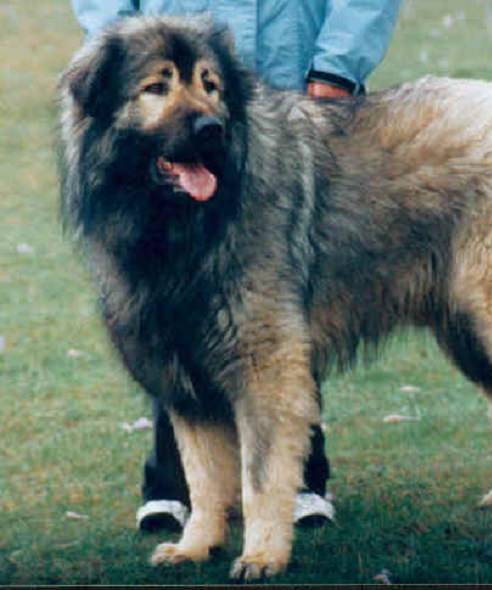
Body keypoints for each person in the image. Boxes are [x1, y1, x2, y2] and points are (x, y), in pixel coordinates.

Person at [70, 0, 402, 532]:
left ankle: (298, 480)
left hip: (287, 77)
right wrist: (117, 49)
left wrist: (339, 63)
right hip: (160, 51)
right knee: (160, 291)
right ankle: (175, 485)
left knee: (272, 300)